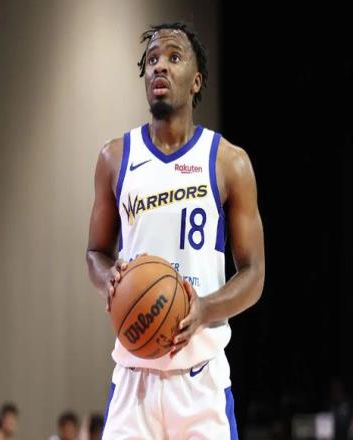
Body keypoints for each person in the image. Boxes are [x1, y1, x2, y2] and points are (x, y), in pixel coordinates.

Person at [86, 21, 265, 439]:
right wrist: (108, 278)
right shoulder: (115, 157)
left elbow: (254, 274)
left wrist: (205, 308)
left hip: (199, 380)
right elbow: (95, 253)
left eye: (173, 57)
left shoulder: (228, 162)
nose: (159, 67)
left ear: (196, 80)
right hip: (135, 377)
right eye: (151, 60)